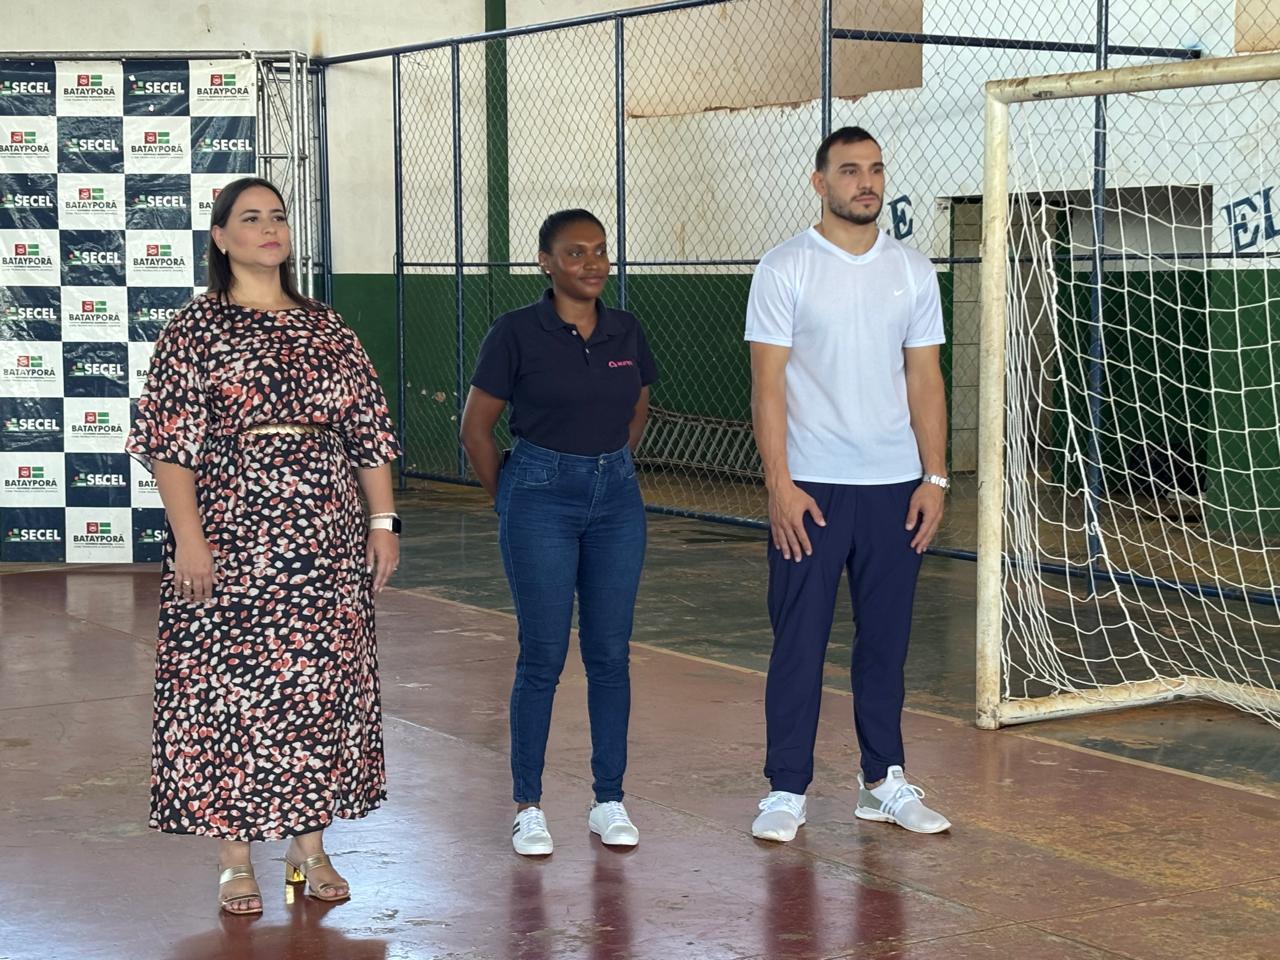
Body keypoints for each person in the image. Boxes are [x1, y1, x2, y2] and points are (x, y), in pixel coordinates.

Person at [126, 177, 402, 915]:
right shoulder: (194, 329)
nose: (270, 227)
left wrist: (383, 521)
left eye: (277, 215)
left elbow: (368, 429)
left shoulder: (327, 326)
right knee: (229, 688)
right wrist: (190, 539)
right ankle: (235, 858)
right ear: (220, 238)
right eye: (250, 218)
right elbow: (169, 445)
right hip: (231, 533)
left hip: (323, 535)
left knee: (316, 685)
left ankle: (310, 846)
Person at [745, 127, 952, 840]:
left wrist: (934, 476)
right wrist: (779, 483)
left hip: (895, 489)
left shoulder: (913, 270)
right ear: (819, 182)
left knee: (885, 643)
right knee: (799, 642)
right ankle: (786, 788)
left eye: (875, 170)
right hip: (813, 488)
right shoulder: (785, 267)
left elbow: (925, 379)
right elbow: (767, 386)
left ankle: (882, 780)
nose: (866, 182)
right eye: (850, 170)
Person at [460, 209, 658, 856]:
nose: (592, 264)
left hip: (616, 500)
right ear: (545, 262)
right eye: (575, 253)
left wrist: (609, 467)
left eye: (600, 251)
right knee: (543, 655)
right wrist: (511, 498)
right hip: (539, 496)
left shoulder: (626, 329)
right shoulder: (516, 332)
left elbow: (637, 408)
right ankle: (529, 806)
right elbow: (476, 429)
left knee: (610, 654)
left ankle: (609, 801)